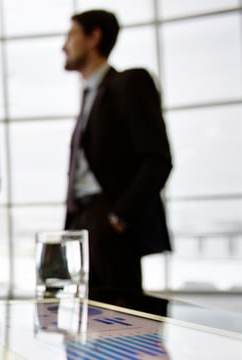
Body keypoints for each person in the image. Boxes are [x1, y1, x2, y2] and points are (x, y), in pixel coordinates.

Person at [62, 10, 173, 292]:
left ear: (94, 37)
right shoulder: (90, 95)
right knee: (85, 319)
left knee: (120, 322)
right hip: (81, 220)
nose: (64, 45)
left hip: (109, 220)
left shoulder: (129, 83)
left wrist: (118, 216)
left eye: (71, 35)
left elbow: (157, 159)